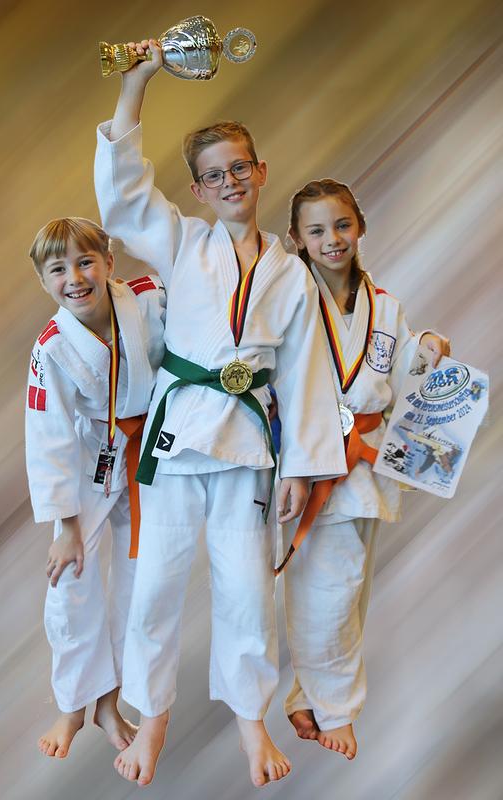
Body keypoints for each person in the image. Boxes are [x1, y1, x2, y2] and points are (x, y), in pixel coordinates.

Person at [94, 40, 348, 788]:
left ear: (261, 172)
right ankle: (152, 720)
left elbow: (303, 372)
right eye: (214, 175)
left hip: (246, 448)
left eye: (240, 168)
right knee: (155, 586)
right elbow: (124, 197)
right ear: (198, 190)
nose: (230, 182)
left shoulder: (291, 273)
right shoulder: (181, 241)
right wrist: (136, 84)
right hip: (178, 442)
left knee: (247, 590)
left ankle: (250, 723)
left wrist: (302, 466)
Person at [282, 178, 450, 759]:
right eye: (317, 230)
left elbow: (401, 375)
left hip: (370, 460)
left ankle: (307, 695)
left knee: (348, 589)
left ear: (360, 226)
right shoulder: (287, 300)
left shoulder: (386, 307)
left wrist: (426, 349)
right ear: (297, 240)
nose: (332, 239)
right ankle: (335, 709)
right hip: (315, 461)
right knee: (333, 587)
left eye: (342, 225)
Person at [26, 217, 165, 759]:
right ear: (44, 282)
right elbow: (49, 436)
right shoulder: (52, 347)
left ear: (109, 261)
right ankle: (74, 703)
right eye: (58, 269)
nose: (75, 278)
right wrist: (66, 526)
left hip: (149, 452)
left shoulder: (149, 299)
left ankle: (111, 701)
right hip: (89, 460)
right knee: (70, 579)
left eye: (86, 262)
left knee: (141, 578)